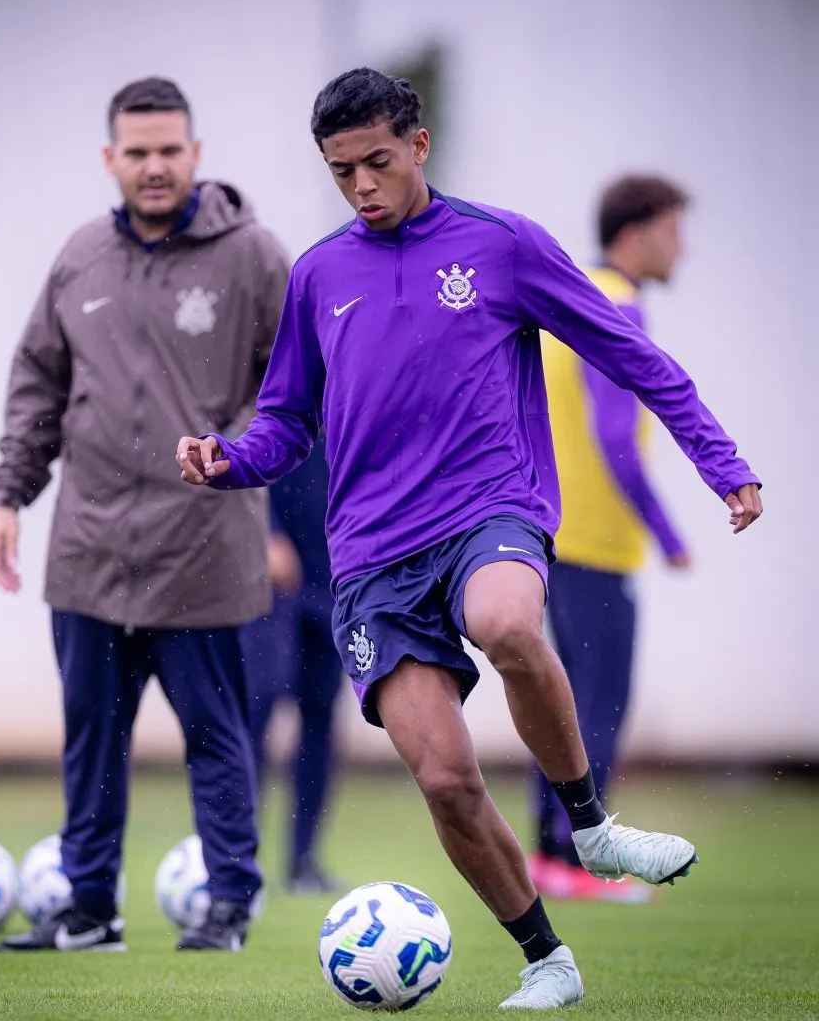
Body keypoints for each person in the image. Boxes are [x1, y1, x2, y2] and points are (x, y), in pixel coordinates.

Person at [176, 68, 762, 1008]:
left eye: (376, 162)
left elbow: (630, 354)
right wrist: (229, 460)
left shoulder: (501, 244)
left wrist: (720, 460)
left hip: (490, 507)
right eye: (340, 173)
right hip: (370, 556)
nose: (362, 186)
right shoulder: (319, 275)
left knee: (507, 623)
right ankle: (547, 959)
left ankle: (590, 825)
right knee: (445, 778)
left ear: (418, 144)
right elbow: (287, 420)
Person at [0, 76, 290, 953]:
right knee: (90, 740)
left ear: (196, 155)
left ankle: (229, 904)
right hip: (86, 550)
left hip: (203, 549)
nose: (154, 167)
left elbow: (294, 386)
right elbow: (36, 387)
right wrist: (8, 496)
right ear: (111, 158)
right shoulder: (80, 256)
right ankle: (89, 909)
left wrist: (236, 450)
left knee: (217, 739)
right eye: (138, 152)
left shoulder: (254, 257)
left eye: (170, 151)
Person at [531, 175, 694, 904]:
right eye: (673, 229)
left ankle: (548, 853)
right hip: (595, 544)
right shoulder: (617, 307)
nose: (681, 245)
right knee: (597, 708)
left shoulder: (572, 294)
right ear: (636, 232)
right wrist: (666, 531)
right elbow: (612, 433)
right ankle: (575, 861)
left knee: (559, 704)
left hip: (552, 534)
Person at [239, 432, 343, 895]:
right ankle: (237, 856)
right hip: (272, 583)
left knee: (320, 717)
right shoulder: (273, 373)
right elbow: (240, 446)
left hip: (334, 577)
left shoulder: (354, 382)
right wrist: (265, 530)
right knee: (256, 707)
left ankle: (302, 860)